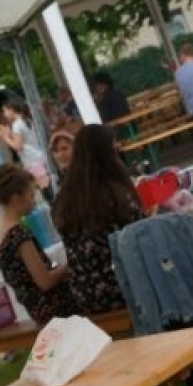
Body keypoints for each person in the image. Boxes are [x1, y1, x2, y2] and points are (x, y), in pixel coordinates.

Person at [50, 123, 140, 315]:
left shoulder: (63, 196)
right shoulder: (114, 193)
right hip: (120, 289)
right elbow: (138, 237)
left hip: (83, 293)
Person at [0, 164, 73, 324]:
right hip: (53, 308)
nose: (34, 202)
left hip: (33, 308)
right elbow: (44, 281)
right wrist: (70, 266)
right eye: (31, 196)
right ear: (15, 197)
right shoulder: (18, 235)